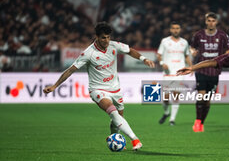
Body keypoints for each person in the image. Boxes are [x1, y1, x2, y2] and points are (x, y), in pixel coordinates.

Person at [43, 22, 155, 150]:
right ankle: (135, 140)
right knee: (113, 112)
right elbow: (70, 69)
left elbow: (130, 51)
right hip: (97, 89)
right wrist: (54, 86)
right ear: (96, 37)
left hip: (115, 89)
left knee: (118, 117)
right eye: (103, 37)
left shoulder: (114, 46)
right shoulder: (88, 53)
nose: (106, 40)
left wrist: (144, 59)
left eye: (108, 37)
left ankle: (114, 138)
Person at [190, 12, 229, 132]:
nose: (211, 23)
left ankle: (202, 122)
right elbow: (192, 46)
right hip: (201, 70)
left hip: (215, 71)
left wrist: (225, 56)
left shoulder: (222, 35)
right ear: (205, 21)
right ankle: (197, 122)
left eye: (213, 21)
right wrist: (193, 51)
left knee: (207, 100)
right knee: (201, 96)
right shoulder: (199, 35)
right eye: (209, 20)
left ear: (216, 22)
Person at [157, 21, 192, 126]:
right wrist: (162, 63)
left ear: (180, 29)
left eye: (177, 28)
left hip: (179, 72)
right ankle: (167, 112)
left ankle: (172, 119)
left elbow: (186, 56)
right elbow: (159, 54)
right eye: (174, 28)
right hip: (168, 73)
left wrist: (192, 67)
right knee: (166, 98)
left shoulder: (184, 42)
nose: (175, 30)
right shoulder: (165, 41)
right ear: (170, 29)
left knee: (176, 95)